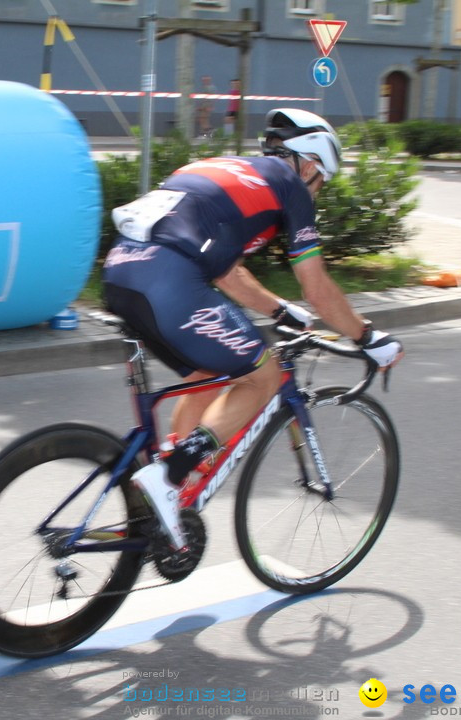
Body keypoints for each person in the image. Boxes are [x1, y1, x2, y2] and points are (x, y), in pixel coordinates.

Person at [102, 108, 404, 550]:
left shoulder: (225, 170)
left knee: (207, 373)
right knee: (261, 377)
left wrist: (279, 310)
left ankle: (170, 495)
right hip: (168, 281)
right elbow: (318, 289)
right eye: (322, 181)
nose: (317, 192)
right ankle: (170, 476)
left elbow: (227, 273)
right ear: (310, 164)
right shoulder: (289, 187)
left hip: (121, 272)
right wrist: (367, 337)